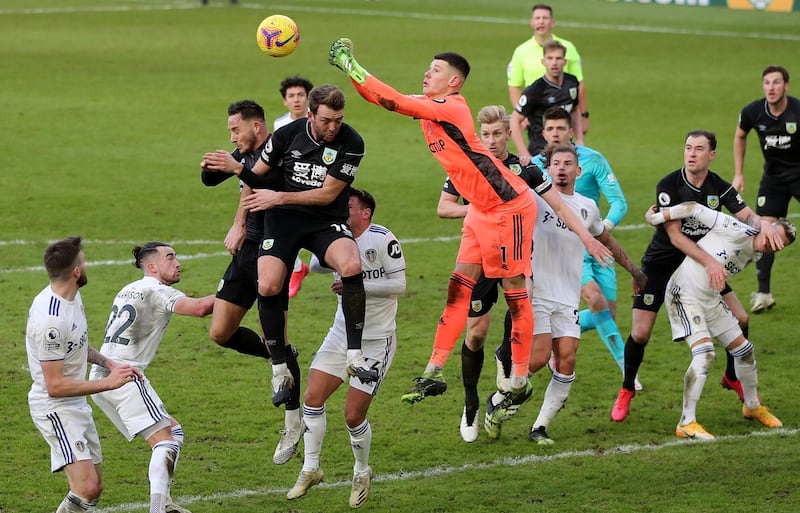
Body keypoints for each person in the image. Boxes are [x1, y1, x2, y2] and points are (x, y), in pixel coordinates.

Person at [328, 39, 613, 412]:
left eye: (436, 70)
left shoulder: (453, 108)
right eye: (428, 68)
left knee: (514, 293)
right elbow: (382, 97)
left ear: (454, 82)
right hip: (480, 210)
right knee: (457, 288)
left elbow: (392, 100)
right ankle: (434, 370)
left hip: (510, 207)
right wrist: (350, 72)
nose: (427, 73)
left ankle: (520, 377)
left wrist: (352, 63)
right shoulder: (432, 107)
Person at [202, 84, 378, 406]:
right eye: (326, 120)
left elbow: (326, 194)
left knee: (352, 265)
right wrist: (234, 169)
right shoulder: (287, 135)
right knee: (268, 284)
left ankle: (355, 356)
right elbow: (258, 176)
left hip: (324, 219)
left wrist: (278, 195)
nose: (333, 127)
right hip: (283, 221)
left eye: (338, 120)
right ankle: (280, 368)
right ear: (310, 115)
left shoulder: (351, 142)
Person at [611, 130, 783, 423]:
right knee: (641, 333)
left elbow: (748, 216)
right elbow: (676, 237)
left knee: (741, 319)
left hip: (699, 269)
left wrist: (766, 227)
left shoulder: (721, 188)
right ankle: (627, 388)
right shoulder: (669, 185)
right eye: (688, 148)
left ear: (711, 155)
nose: (691, 154)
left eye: (699, 149)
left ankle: (731, 377)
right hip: (663, 263)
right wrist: (711, 263)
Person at [492, 146, 645, 443]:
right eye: (556, 163)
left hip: (567, 296)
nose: (561, 168)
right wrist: (515, 159)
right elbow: (502, 182)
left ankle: (539, 427)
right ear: (548, 169)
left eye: (568, 164)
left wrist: (634, 270)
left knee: (567, 360)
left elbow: (606, 240)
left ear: (579, 171)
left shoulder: (588, 206)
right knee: (536, 360)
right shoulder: (534, 197)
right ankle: (498, 401)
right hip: (536, 292)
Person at [200, 99, 305, 465]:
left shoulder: (282, 152)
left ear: (256, 126)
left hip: (273, 252)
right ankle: (280, 356)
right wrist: (218, 172)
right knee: (220, 332)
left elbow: (262, 183)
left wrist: (238, 170)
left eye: (236, 129)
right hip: (244, 252)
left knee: (275, 327)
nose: (232, 136)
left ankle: (293, 423)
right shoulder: (244, 152)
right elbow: (219, 181)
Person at [286, 188, 406, 508]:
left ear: (365, 213)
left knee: (353, 416)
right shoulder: (338, 237)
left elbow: (400, 285)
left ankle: (362, 472)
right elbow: (315, 266)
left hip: (376, 340)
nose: (343, 210)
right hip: (341, 334)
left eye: (348, 206)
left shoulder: (382, 239)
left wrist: (358, 282)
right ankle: (310, 468)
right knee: (312, 398)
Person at [437, 105, 548, 442]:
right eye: (485, 135)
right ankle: (470, 403)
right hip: (481, 261)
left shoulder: (525, 169)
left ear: (508, 134)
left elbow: (555, 201)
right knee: (474, 335)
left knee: (521, 302)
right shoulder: (468, 168)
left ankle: (505, 355)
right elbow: (443, 207)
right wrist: (479, 208)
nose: (491, 140)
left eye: (497, 134)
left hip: (515, 257)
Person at [646, 201, 793, 438]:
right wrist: (657, 218)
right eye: (773, 236)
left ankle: (752, 406)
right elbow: (694, 208)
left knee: (744, 351)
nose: (771, 244)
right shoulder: (737, 229)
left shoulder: (756, 252)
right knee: (705, 354)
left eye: (778, 246)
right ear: (766, 226)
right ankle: (686, 422)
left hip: (710, 298)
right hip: (684, 294)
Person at [89, 243, 214, 513]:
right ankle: (157, 509)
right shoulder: (157, 291)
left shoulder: (128, 288)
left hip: (100, 377)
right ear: (153, 266)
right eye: (170, 257)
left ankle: (165, 501)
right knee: (166, 441)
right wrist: (238, 291)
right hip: (124, 376)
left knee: (173, 431)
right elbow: (201, 308)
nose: (178, 262)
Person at [25, 236, 140, 513]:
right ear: (76, 272)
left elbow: (77, 345)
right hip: (55, 407)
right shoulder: (51, 321)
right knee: (86, 487)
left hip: (75, 404)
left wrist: (109, 363)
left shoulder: (71, 297)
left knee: (95, 488)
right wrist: (107, 383)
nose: (86, 266)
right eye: (84, 262)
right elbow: (54, 386)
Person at [532, 106, 638, 388]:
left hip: (596, 243)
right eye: (550, 129)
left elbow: (620, 202)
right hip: (565, 249)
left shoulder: (594, 160)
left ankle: (558, 337)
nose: (556, 134)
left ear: (571, 131)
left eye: (561, 128)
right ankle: (628, 374)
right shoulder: (533, 166)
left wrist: (602, 230)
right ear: (543, 133)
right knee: (596, 301)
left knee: (607, 315)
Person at [732, 65, 800, 313]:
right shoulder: (752, 112)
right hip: (773, 178)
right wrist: (738, 174)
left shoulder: (798, 111)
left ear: (786, 86)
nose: (771, 87)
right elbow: (740, 136)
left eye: (776, 82)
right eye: (767, 83)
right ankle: (763, 293)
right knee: (765, 229)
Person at [506, 3, 588, 133]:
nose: (541, 21)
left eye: (545, 18)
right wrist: (522, 112)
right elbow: (514, 85)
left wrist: (584, 115)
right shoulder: (521, 51)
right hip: (536, 115)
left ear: (552, 22)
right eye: (537, 18)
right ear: (531, 22)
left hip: (564, 116)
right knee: (538, 149)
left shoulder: (568, 48)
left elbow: (579, 84)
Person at [274, 76, 316, 298]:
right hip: (290, 184)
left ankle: (301, 268)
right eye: (291, 96)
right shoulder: (279, 125)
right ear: (285, 101)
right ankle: (298, 268)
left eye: (301, 95)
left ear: (308, 98)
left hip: (315, 183)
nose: (296, 100)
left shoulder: (317, 121)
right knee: (283, 227)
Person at [509, 40, 583, 155]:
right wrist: (523, 152)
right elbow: (514, 119)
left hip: (566, 150)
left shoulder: (572, 83)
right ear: (543, 62)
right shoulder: (535, 90)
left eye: (558, 58)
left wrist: (580, 139)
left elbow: (575, 109)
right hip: (540, 152)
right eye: (550, 58)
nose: (554, 63)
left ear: (564, 62)